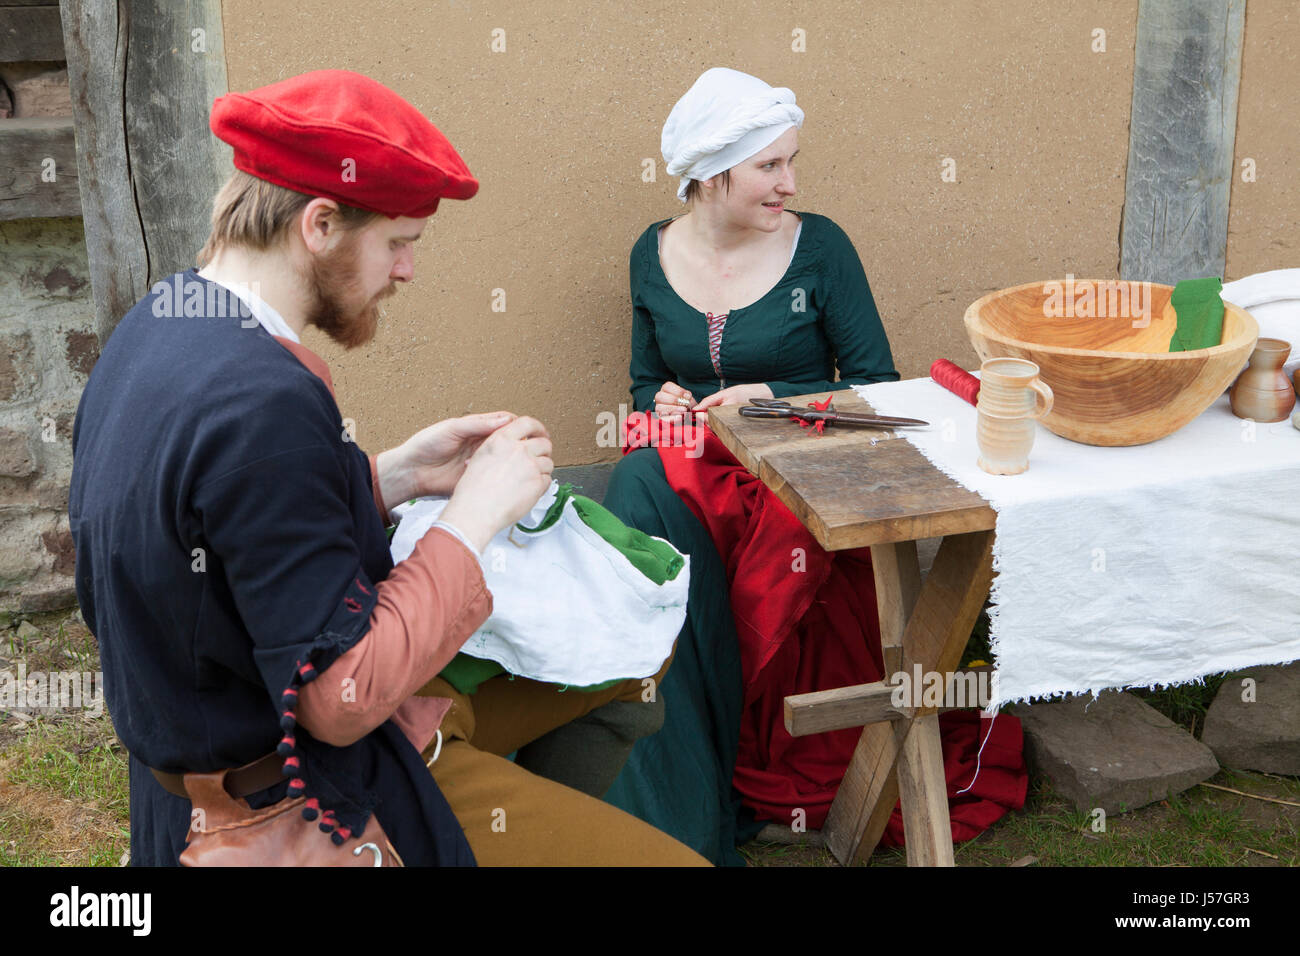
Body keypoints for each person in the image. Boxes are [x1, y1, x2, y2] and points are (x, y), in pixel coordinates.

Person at [68, 69, 706, 866]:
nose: (408, 272)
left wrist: (394, 475)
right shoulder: (263, 402)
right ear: (321, 223)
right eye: (399, 243)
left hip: (210, 764)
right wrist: (477, 516)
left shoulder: (161, 323)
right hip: (300, 800)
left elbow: (220, 534)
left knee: (632, 655)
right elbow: (340, 700)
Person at [595, 68, 902, 864]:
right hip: (693, 460)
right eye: (770, 167)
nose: (789, 184)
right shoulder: (650, 252)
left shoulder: (820, 246)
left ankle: (720, 755)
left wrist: (773, 395)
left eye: (790, 163)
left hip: (794, 463)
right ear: (709, 173)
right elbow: (640, 382)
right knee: (636, 484)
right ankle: (663, 784)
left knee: (724, 535)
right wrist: (661, 402)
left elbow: (878, 385)